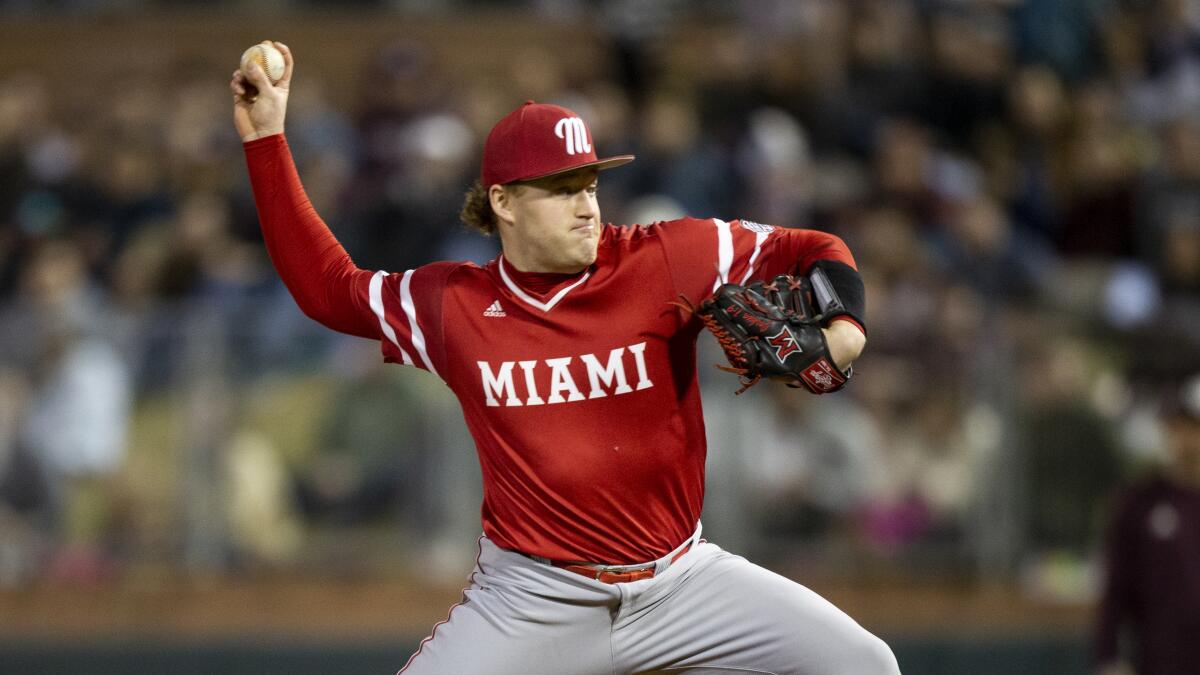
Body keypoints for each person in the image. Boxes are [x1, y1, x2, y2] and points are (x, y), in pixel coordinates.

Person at [231, 41, 898, 675]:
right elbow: (328, 290)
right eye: (562, 188)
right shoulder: (452, 306)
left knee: (865, 664)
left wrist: (844, 333)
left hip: (680, 580)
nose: (587, 206)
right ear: (504, 202)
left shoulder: (667, 257)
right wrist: (266, 138)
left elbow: (813, 245)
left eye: (590, 184)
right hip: (530, 596)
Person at [1094, 374, 1200, 675]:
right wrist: (1109, 658)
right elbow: (1115, 590)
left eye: (1195, 427)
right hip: (1160, 660)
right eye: (1181, 425)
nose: (1188, 438)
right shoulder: (1140, 502)